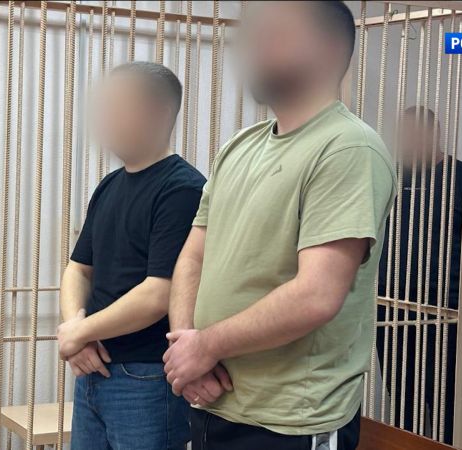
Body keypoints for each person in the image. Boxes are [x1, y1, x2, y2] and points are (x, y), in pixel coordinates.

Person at [162, 2, 396, 449]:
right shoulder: (240, 146)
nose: (258, 49)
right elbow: (193, 256)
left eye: (278, 36)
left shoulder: (348, 147)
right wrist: (188, 348)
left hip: (291, 420)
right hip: (212, 402)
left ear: (328, 51)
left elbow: (316, 295)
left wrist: (205, 347)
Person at [57, 62, 208, 450]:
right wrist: (76, 330)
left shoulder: (183, 189)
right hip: (93, 368)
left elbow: (159, 293)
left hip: (146, 376)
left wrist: (81, 333)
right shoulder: (109, 185)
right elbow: (78, 270)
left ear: (158, 112)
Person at [375, 106, 462, 443]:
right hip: (389, 304)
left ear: (433, 135)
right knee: (401, 400)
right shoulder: (390, 175)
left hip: (444, 310)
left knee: (444, 402)